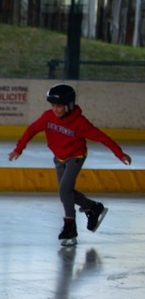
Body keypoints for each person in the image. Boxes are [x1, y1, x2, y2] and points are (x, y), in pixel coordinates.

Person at [8, 83, 132, 246]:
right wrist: (19, 149)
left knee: (64, 191)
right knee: (66, 193)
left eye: (59, 106)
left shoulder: (80, 123)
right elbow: (31, 130)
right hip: (59, 158)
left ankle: (70, 227)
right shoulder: (48, 117)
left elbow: (102, 137)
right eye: (53, 105)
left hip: (76, 157)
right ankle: (93, 208)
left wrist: (119, 154)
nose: (55, 109)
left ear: (69, 105)